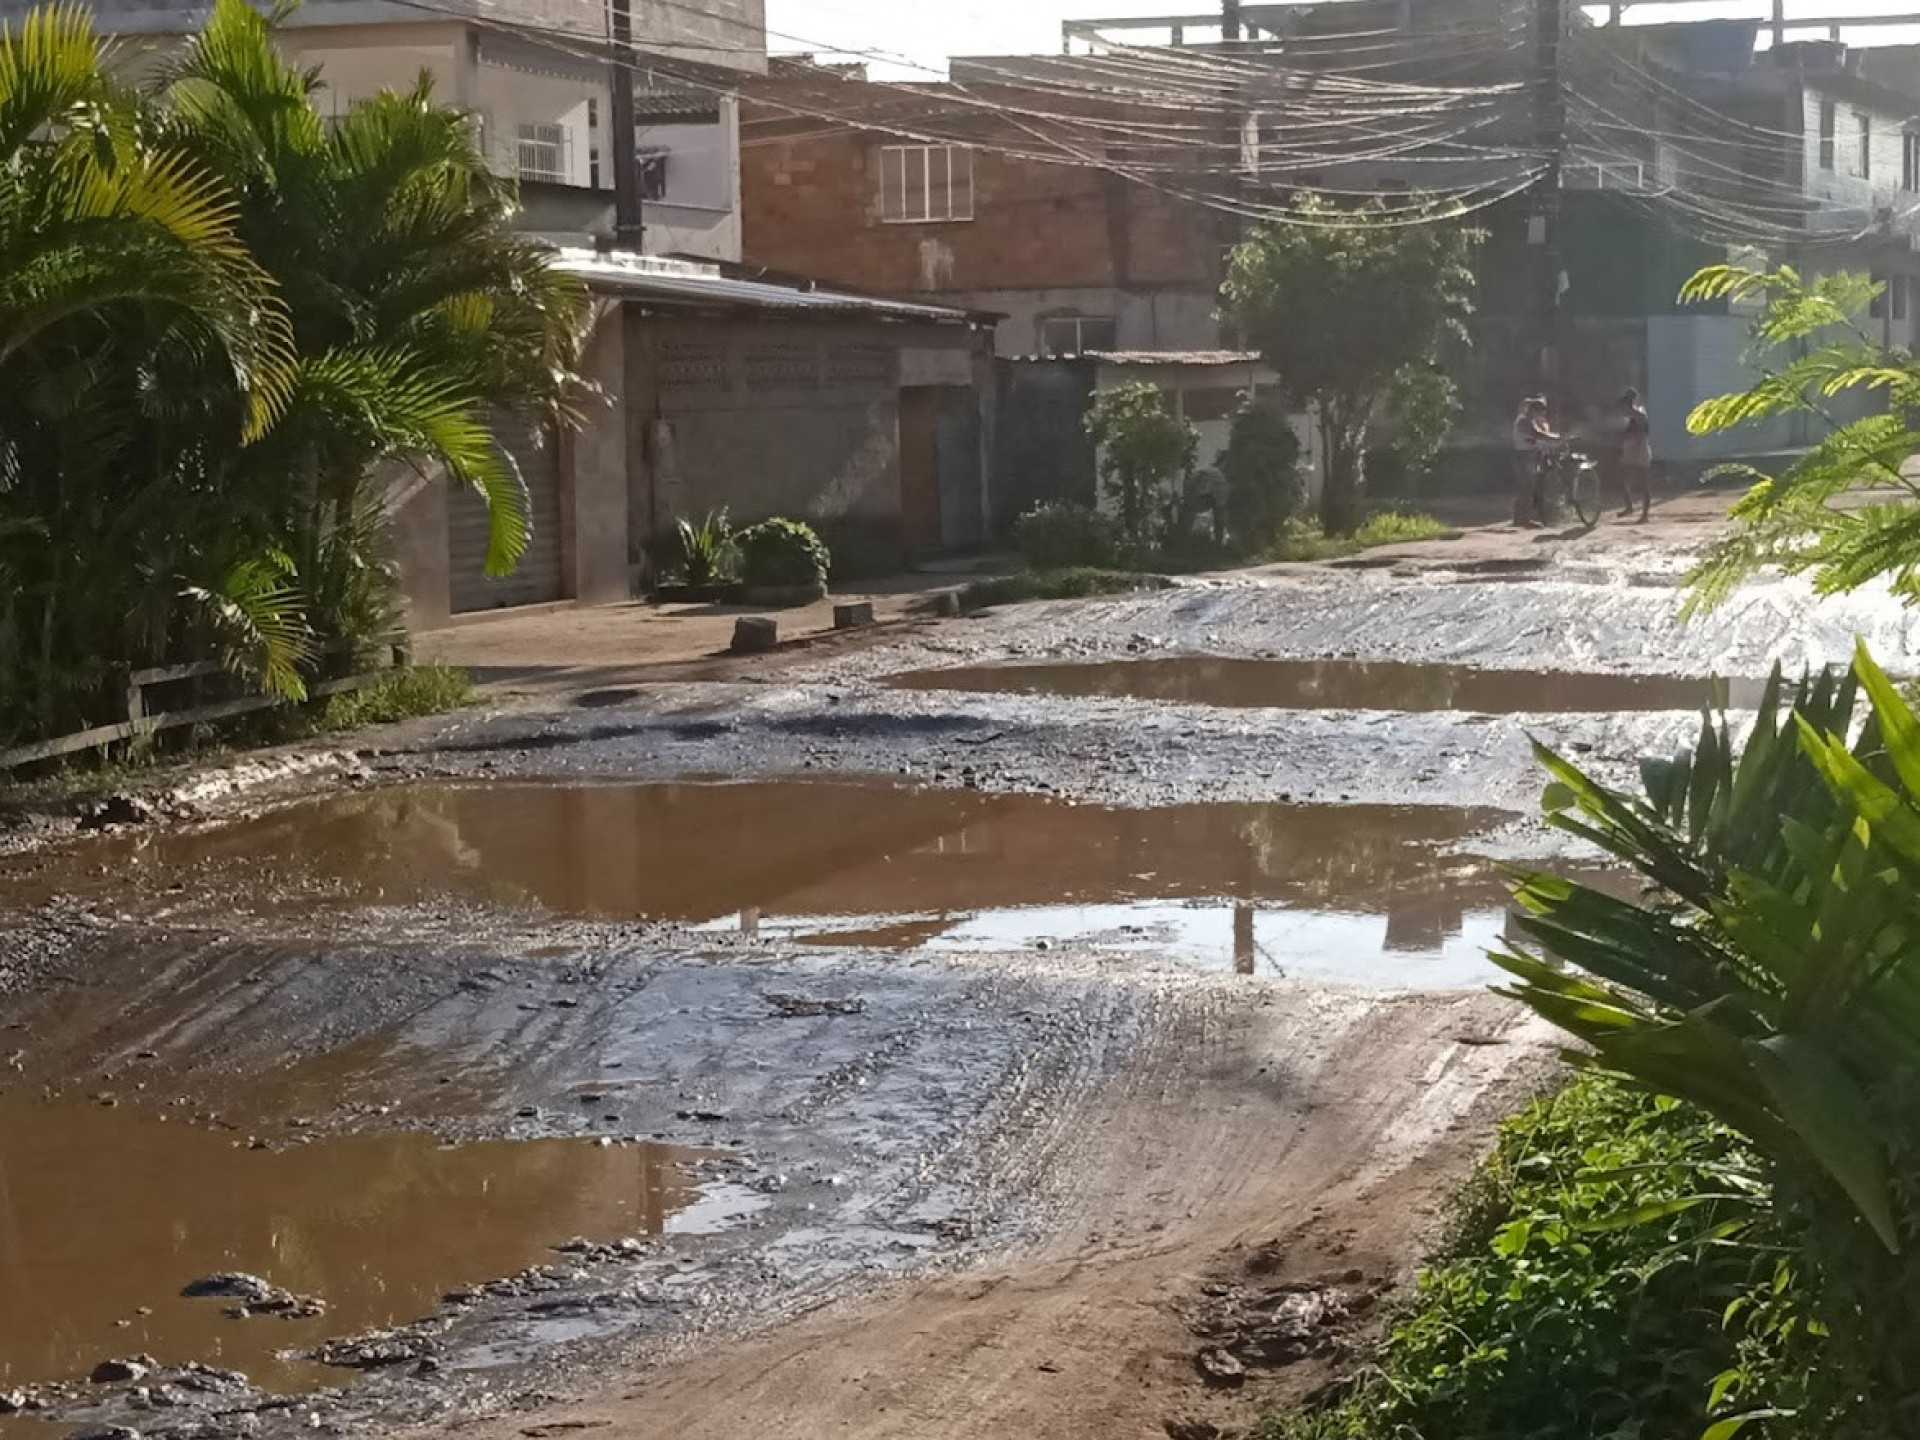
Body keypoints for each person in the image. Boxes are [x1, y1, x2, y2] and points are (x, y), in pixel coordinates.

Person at [1511, 395, 1559, 528]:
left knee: (1526, 488)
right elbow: (1537, 434)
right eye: (1540, 412)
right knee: (1527, 488)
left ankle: (1519, 519)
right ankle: (1524, 519)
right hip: (1525, 456)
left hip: (1525, 455)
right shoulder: (1525, 421)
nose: (1541, 415)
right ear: (1534, 411)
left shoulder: (1526, 420)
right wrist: (1554, 438)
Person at [1615, 387, 1653, 523]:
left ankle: (1644, 515)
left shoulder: (1639, 415)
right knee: (1623, 480)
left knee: (1644, 483)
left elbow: (1643, 434)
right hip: (1631, 449)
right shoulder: (1629, 417)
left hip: (1640, 449)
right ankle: (1629, 507)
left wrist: (1631, 443)